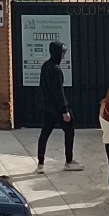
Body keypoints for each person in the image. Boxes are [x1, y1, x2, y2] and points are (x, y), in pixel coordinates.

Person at [36, 42, 82, 172]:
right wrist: (65, 110)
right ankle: (69, 160)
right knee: (69, 130)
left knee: (44, 133)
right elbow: (58, 91)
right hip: (57, 107)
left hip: (47, 107)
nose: (63, 55)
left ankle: (40, 163)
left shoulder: (45, 66)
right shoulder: (55, 69)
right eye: (62, 52)